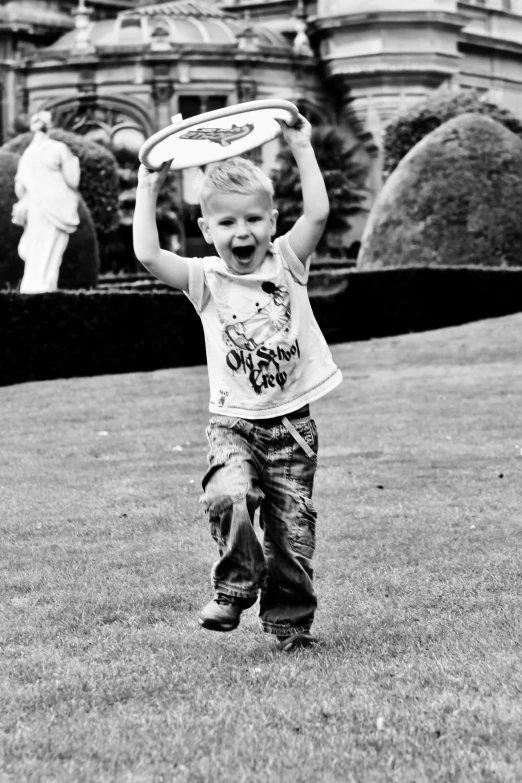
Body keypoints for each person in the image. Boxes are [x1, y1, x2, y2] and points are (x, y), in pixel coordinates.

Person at [133, 114, 342, 651]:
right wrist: (150, 180)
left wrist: (299, 143)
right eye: (226, 223)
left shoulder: (289, 261)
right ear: (207, 231)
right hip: (233, 425)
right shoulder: (205, 278)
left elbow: (318, 211)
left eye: (253, 219)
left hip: (292, 428)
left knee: (292, 536)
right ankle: (233, 589)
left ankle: (290, 627)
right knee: (227, 495)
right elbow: (149, 254)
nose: (241, 232)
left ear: (273, 221)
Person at [12, 110, 80, 293]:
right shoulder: (59, 149)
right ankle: (44, 288)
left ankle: (33, 287)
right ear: (49, 126)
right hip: (57, 202)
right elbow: (73, 180)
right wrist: (75, 162)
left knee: (36, 248)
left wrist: (31, 195)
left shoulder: (28, 153)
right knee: (51, 249)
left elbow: (19, 188)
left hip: (37, 205)